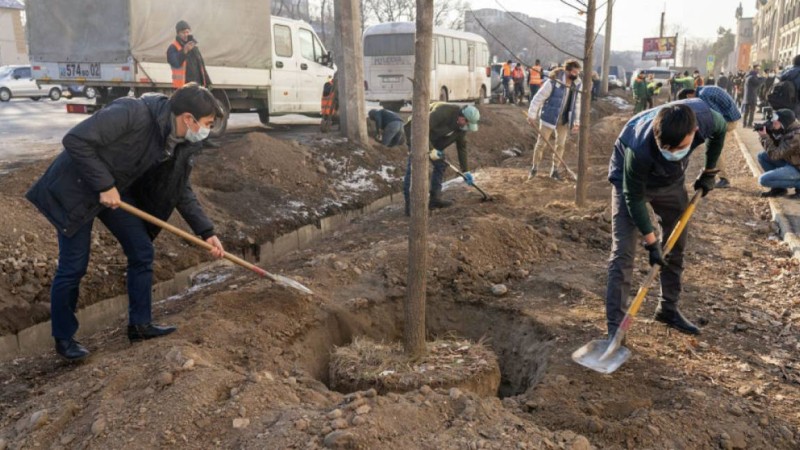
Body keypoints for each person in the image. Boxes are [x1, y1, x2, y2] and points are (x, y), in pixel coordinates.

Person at [26, 83, 225, 360]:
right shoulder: (133, 112)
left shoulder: (177, 142)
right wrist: (104, 184)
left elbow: (180, 189)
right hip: (77, 188)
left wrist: (206, 232)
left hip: (114, 191)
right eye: (207, 123)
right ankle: (64, 339)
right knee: (74, 266)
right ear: (189, 119)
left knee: (142, 250)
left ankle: (140, 325)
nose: (207, 129)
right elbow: (75, 140)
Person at [605, 100, 728, 338]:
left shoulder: (707, 119)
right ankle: (615, 330)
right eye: (666, 148)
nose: (672, 153)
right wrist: (651, 243)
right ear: (657, 134)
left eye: (678, 148)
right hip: (629, 182)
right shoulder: (638, 146)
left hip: (670, 182)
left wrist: (709, 171)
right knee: (623, 253)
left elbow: (720, 131)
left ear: (694, 132)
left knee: (676, 243)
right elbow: (633, 197)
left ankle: (667, 310)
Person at [402, 103, 480, 215]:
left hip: (433, 139)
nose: (466, 127)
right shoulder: (444, 112)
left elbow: (461, 148)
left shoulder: (462, 127)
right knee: (414, 169)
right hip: (416, 133)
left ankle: (435, 200)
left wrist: (465, 170)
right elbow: (420, 127)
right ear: (461, 117)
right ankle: (410, 207)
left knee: (440, 165)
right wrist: (430, 149)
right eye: (467, 123)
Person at [527, 59, 582, 180]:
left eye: (578, 72)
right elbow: (538, 98)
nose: (576, 74)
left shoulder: (577, 84)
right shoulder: (553, 82)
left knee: (560, 145)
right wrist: (532, 114)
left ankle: (555, 170)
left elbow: (577, 104)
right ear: (567, 71)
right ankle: (534, 168)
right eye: (574, 72)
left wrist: (576, 122)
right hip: (549, 118)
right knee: (541, 144)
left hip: (564, 120)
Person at [677, 85, 742, 188]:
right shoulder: (705, 90)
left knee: (712, 149)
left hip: (728, 121)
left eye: (688, 101)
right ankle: (711, 174)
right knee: (712, 147)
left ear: (689, 95)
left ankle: (724, 179)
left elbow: (715, 117)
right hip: (731, 117)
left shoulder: (703, 96)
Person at [756, 109, 800, 198]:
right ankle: (779, 189)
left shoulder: (795, 136)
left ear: (783, 121)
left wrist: (765, 137)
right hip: (793, 162)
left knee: (763, 180)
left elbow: (775, 154)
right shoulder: (788, 129)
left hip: (797, 167)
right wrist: (770, 133)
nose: (773, 122)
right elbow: (777, 148)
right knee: (763, 156)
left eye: (775, 119)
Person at [167, 20, 211, 88]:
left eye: (187, 32)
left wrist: (208, 83)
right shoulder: (173, 47)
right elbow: (174, 63)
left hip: (198, 86)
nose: (186, 34)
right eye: (183, 32)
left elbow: (201, 67)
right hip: (182, 87)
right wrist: (184, 51)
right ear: (178, 33)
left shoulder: (194, 48)